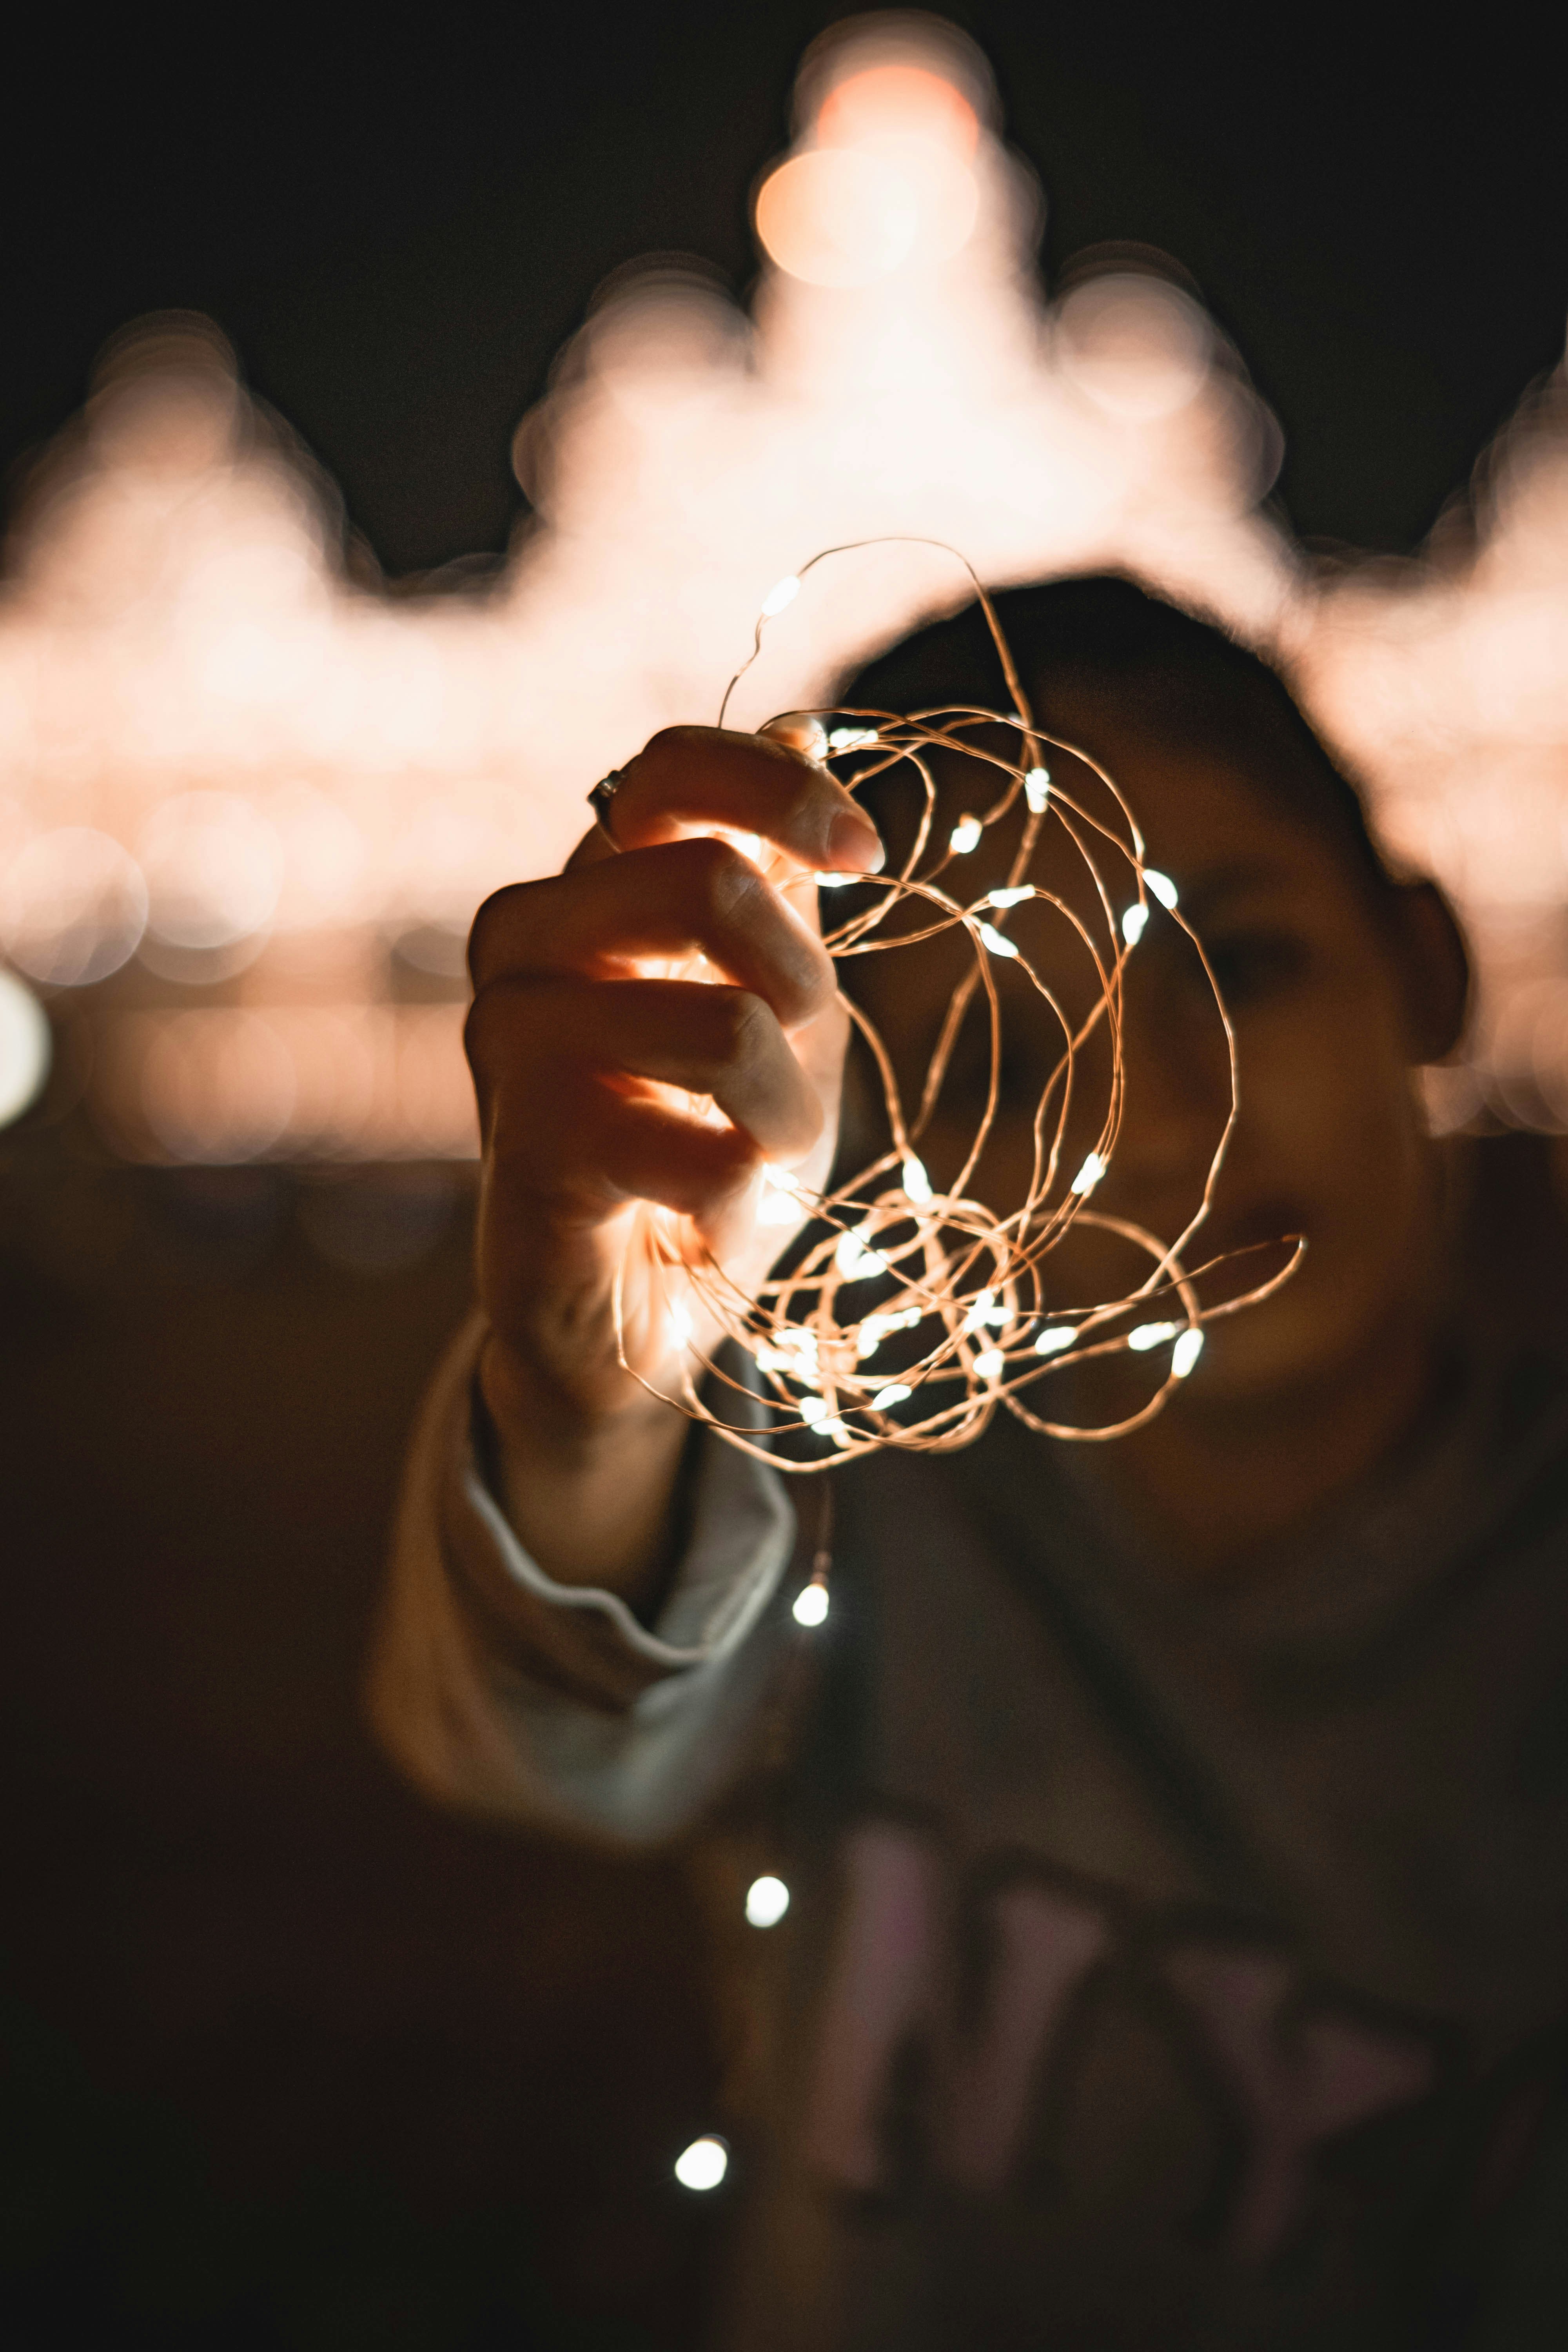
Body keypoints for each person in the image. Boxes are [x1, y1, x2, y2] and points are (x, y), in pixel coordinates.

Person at [368, 577, 1568, 2349]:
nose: (1165, 1110)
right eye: (1005, 1052)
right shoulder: (861, 1514)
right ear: (880, 1135)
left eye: (1234, 959)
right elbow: (546, 1744)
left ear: (1427, 960)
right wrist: (583, 1411)